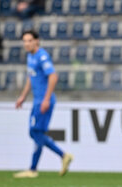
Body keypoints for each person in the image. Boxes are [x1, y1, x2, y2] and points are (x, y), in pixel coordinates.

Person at [14, 30, 73, 178]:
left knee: (35, 132)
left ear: (36, 41)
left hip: (43, 101)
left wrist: (46, 99)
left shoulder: (42, 56)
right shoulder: (30, 56)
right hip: (37, 100)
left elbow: (53, 76)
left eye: (29, 40)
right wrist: (23, 96)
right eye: (24, 41)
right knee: (36, 133)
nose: (26, 43)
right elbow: (31, 77)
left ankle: (60, 156)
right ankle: (35, 168)